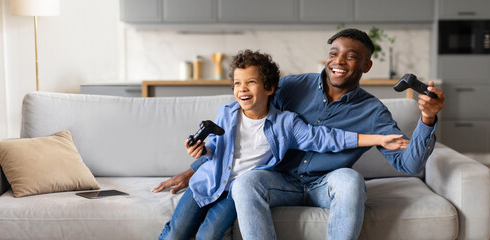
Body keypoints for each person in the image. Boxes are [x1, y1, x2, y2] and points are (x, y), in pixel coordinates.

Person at [154, 29, 445, 240]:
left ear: (366, 65)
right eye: (334, 53)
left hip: (324, 184)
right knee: (245, 183)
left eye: (351, 56)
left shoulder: (372, 112)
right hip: (277, 178)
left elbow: (408, 165)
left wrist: (428, 118)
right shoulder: (291, 86)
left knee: (351, 179)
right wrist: (195, 169)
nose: (339, 61)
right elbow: (240, 122)